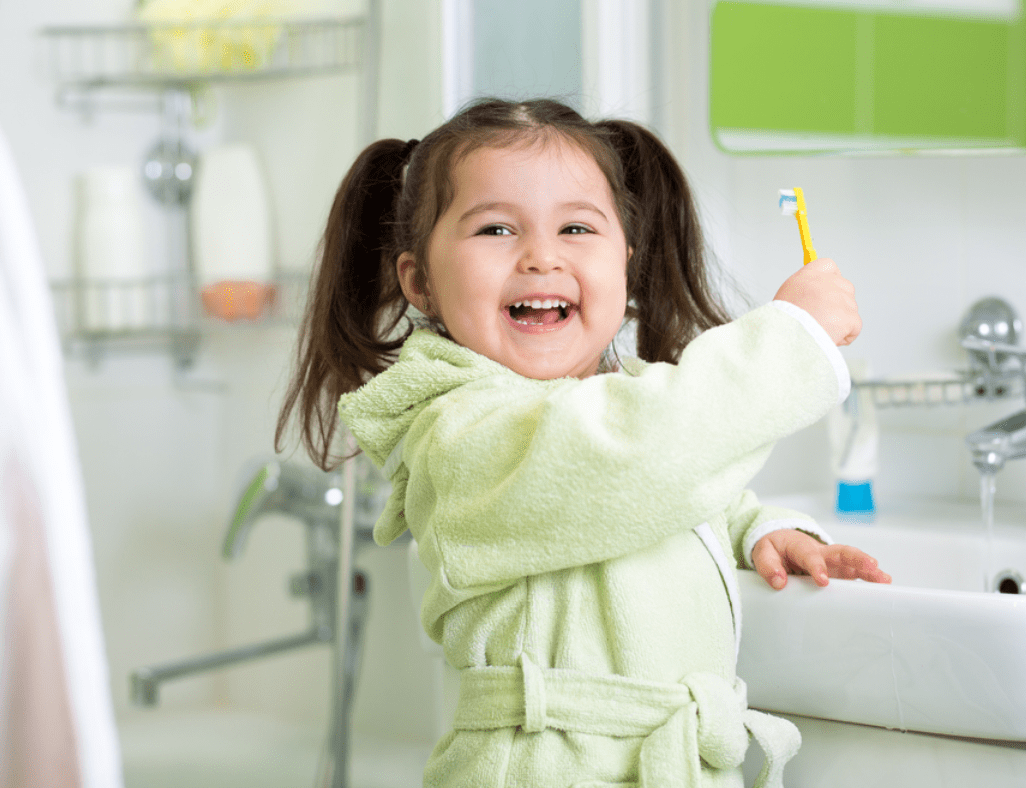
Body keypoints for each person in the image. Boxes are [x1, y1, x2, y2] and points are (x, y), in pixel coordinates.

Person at [277, 98, 891, 788]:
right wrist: (790, 339)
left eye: (575, 227)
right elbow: (628, 458)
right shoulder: (457, 431)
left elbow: (663, 489)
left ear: (625, 259)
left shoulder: (625, 404)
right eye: (496, 228)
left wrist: (757, 530)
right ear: (420, 281)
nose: (542, 255)